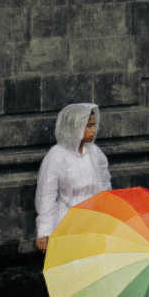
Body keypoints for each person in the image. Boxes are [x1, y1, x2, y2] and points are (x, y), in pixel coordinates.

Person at [32, 100, 112, 251]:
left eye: (94, 125)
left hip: (95, 222)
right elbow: (46, 196)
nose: (94, 130)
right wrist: (44, 232)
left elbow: (105, 185)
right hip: (68, 223)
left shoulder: (94, 152)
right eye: (89, 126)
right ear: (74, 127)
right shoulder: (57, 156)